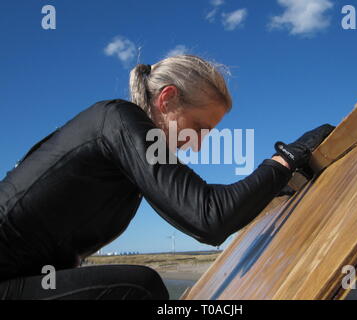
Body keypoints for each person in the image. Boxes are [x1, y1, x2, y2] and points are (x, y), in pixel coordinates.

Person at [0, 54, 334, 300]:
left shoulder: (125, 147)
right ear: (167, 98)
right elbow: (209, 218)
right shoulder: (117, 119)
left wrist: (274, 190)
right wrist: (287, 158)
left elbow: (200, 214)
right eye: (200, 127)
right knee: (139, 289)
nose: (200, 143)